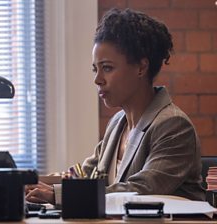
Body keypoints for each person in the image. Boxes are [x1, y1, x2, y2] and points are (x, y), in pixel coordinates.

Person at [25, 8, 205, 206]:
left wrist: (57, 195)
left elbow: (142, 190)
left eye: (107, 68)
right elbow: (85, 173)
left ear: (141, 68)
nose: (97, 80)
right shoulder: (118, 122)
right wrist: (32, 181)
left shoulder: (173, 126)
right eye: (96, 69)